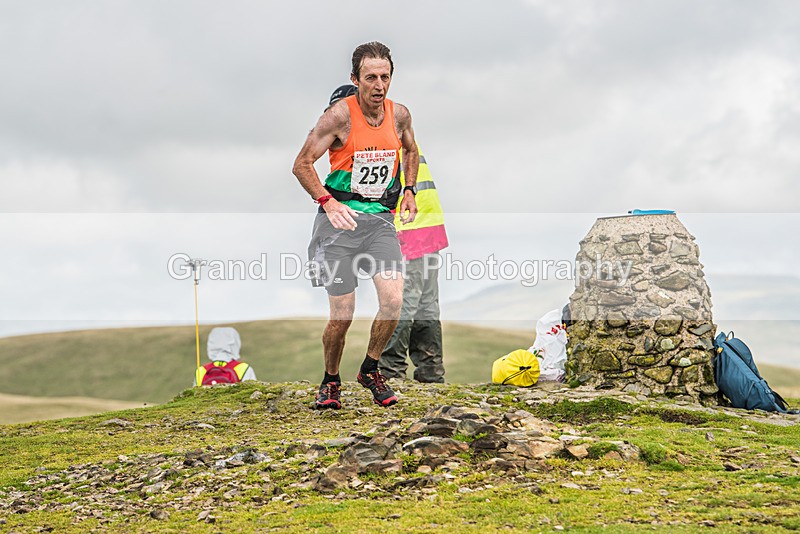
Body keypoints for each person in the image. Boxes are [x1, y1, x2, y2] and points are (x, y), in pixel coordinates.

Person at [292, 41, 419, 410]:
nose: (379, 85)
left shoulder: (400, 115)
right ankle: (331, 379)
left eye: (385, 77)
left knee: (393, 301)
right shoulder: (338, 118)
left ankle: (370, 369)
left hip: (379, 221)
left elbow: (411, 149)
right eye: (370, 78)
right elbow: (301, 164)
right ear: (355, 79)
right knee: (342, 316)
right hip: (339, 224)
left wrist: (409, 190)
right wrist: (327, 202)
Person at [379, 142, 448, 383]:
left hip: (405, 234)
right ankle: (431, 373)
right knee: (426, 305)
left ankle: (391, 372)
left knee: (402, 305)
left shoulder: (382, 147)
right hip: (428, 231)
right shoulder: (408, 144)